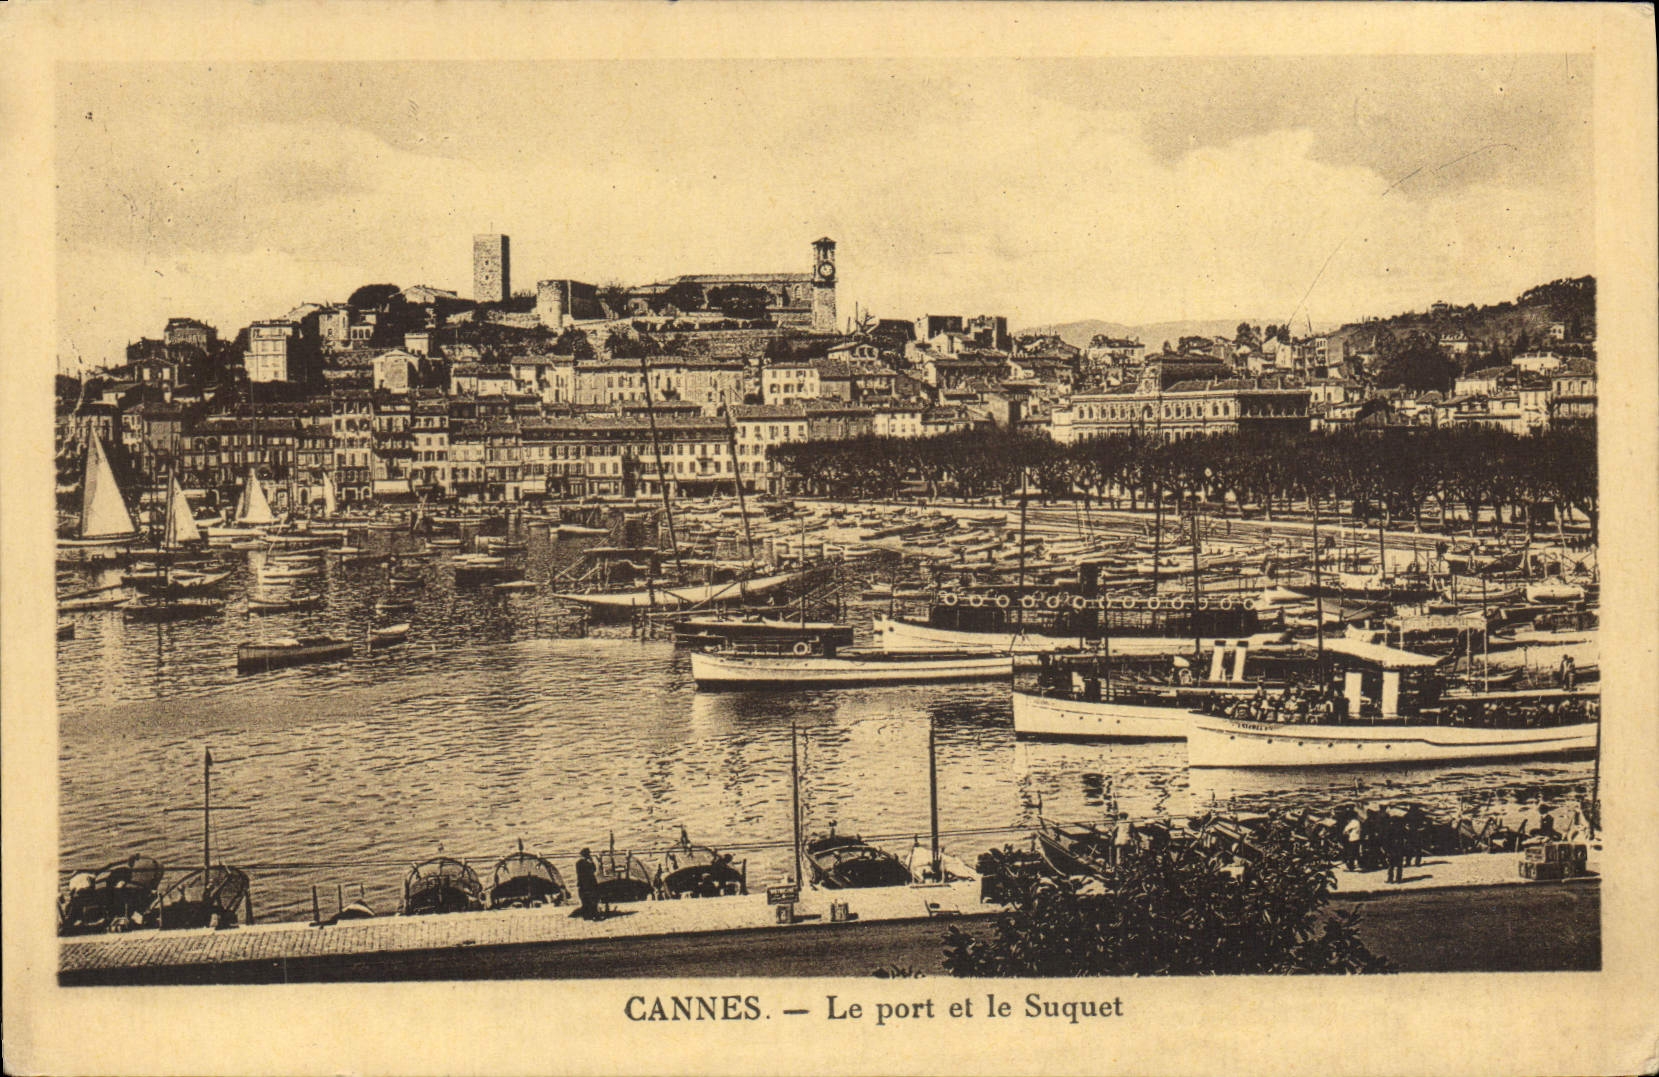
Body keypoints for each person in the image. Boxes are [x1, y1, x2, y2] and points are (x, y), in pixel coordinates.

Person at [572, 847, 601, 921]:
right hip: (590, 883)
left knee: (585, 900)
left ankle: (587, 915)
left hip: (582, 883)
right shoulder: (587, 863)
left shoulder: (578, 863)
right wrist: (592, 862)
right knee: (592, 899)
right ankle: (594, 915)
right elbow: (593, 870)